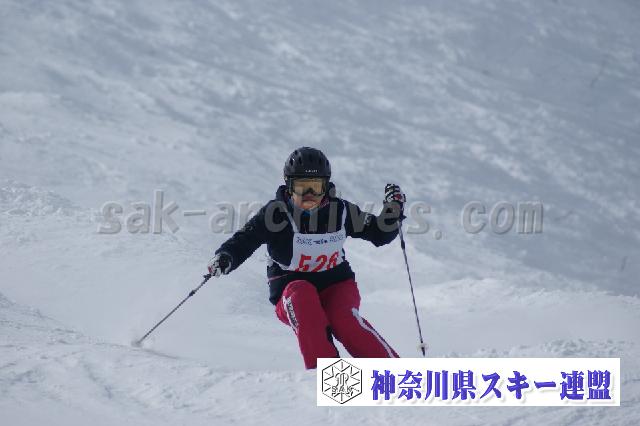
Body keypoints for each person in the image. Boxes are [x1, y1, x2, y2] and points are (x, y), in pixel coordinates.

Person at [208, 147, 406, 369]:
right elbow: (246, 239)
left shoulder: (341, 211)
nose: (309, 195)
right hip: (291, 292)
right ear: (289, 186)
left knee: (343, 319)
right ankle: (330, 376)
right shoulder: (276, 214)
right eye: (302, 187)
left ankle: (394, 374)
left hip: (337, 286)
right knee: (302, 296)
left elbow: (379, 233)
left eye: (316, 187)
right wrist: (226, 256)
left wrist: (394, 207)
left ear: (326, 187)